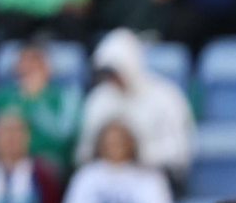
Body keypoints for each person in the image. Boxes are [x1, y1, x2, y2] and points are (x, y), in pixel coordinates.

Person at [78, 29, 196, 181]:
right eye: (108, 72)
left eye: (116, 71)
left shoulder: (166, 96)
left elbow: (180, 149)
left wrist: (137, 156)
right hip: (107, 177)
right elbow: (84, 150)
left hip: (154, 175)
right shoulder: (98, 99)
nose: (113, 78)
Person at [0, 43, 81, 173]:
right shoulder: (2, 95)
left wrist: (36, 102)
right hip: (0, 157)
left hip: (42, 158)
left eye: (36, 61)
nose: (30, 67)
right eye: (25, 61)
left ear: (48, 68)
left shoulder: (64, 96)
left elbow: (63, 136)